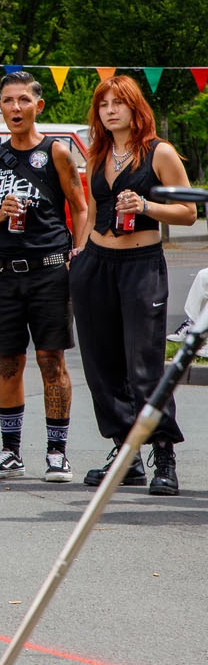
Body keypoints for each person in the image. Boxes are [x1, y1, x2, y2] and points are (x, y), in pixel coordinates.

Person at [71, 75, 196, 495]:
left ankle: (163, 454)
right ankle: (126, 454)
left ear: (134, 107)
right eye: (103, 103)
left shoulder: (158, 152)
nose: (109, 110)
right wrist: (80, 253)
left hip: (141, 264)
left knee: (143, 366)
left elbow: (188, 212)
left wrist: (145, 205)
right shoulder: (97, 153)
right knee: (101, 368)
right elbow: (90, 209)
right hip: (95, 264)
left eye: (118, 103)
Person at [0, 72, 87, 482]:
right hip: (2, 273)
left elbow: (82, 206)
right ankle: (10, 452)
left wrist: (79, 253)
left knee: (51, 360)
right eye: (6, 101)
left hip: (49, 270)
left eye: (22, 100)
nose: (14, 108)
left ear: (38, 106)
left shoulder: (56, 152)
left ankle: (57, 453)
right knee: (8, 364)